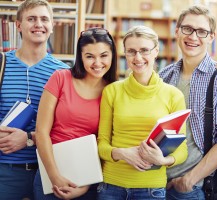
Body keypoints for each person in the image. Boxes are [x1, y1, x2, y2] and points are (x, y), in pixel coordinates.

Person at [159, 5, 217, 199]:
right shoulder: (164, 76)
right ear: (177, 31)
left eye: (202, 32)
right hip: (158, 183)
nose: (193, 37)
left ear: (211, 37)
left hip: (195, 188)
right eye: (187, 28)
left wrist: (189, 180)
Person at [97, 25, 188, 200]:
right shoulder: (112, 91)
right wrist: (122, 153)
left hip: (151, 189)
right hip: (111, 186)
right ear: (125, 53)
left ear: (156, 51)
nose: (138, 57)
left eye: (144, 50)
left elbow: (181, 149)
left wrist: (163, 161)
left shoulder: (173, 95)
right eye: (131, 51)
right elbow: (102, 144)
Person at [33, 27, 117, 200]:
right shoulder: (60, 78)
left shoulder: (115, 91)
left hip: (88, 180)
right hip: (50, 175)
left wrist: (85, 186)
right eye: (89, 56)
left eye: (103, 55)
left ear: (112, 56)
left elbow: (107, 142)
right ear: (80, 57)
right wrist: (54, 176)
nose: (97, 62)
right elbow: (41, 132)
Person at [0, 0, 70, 199]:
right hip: (5, 171)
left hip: (49, 170)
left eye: (44, 19)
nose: (38, 24)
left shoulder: (64, 72)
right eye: (31, 19)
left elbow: (66, 125)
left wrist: (29, 138)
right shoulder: (1, 64)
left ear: (52, 26)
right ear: (19, 25)